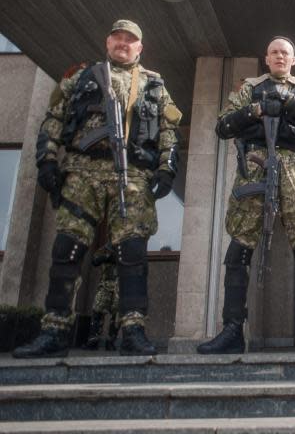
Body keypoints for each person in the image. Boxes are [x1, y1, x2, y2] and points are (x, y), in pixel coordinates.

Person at [13, 19, 181, 358]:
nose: (123, 43)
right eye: (117, 37)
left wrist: (166, 168)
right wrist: (46, 161)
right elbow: (53, 120)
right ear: (107, 42)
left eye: (130, 39)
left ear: (140, 47)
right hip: (81, 172)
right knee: (67, 250)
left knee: (132, 255)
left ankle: (133, 330)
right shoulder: (81, 77)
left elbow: (169, 132)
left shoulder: (153, 85)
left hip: (132, 176)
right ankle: (54, 330)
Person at [197, 36, 295, 355]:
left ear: (294, 59)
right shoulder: (249, 88)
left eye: (285, 53)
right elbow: (223, 126)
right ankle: (232, 329)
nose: (280, 57)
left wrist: (293, 104)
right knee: (239, 247)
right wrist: (256, 110)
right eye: (274, 53)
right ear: (266, 58)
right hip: (256, 163)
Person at [83, 242, 119, 351]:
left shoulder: (126, 246)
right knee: (97, 310)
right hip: (105, 284)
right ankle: (93, 339)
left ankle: (111, 341)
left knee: (116, 314)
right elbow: (95, 261)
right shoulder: (105, 248)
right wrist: (106, 256)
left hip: (119, 285)